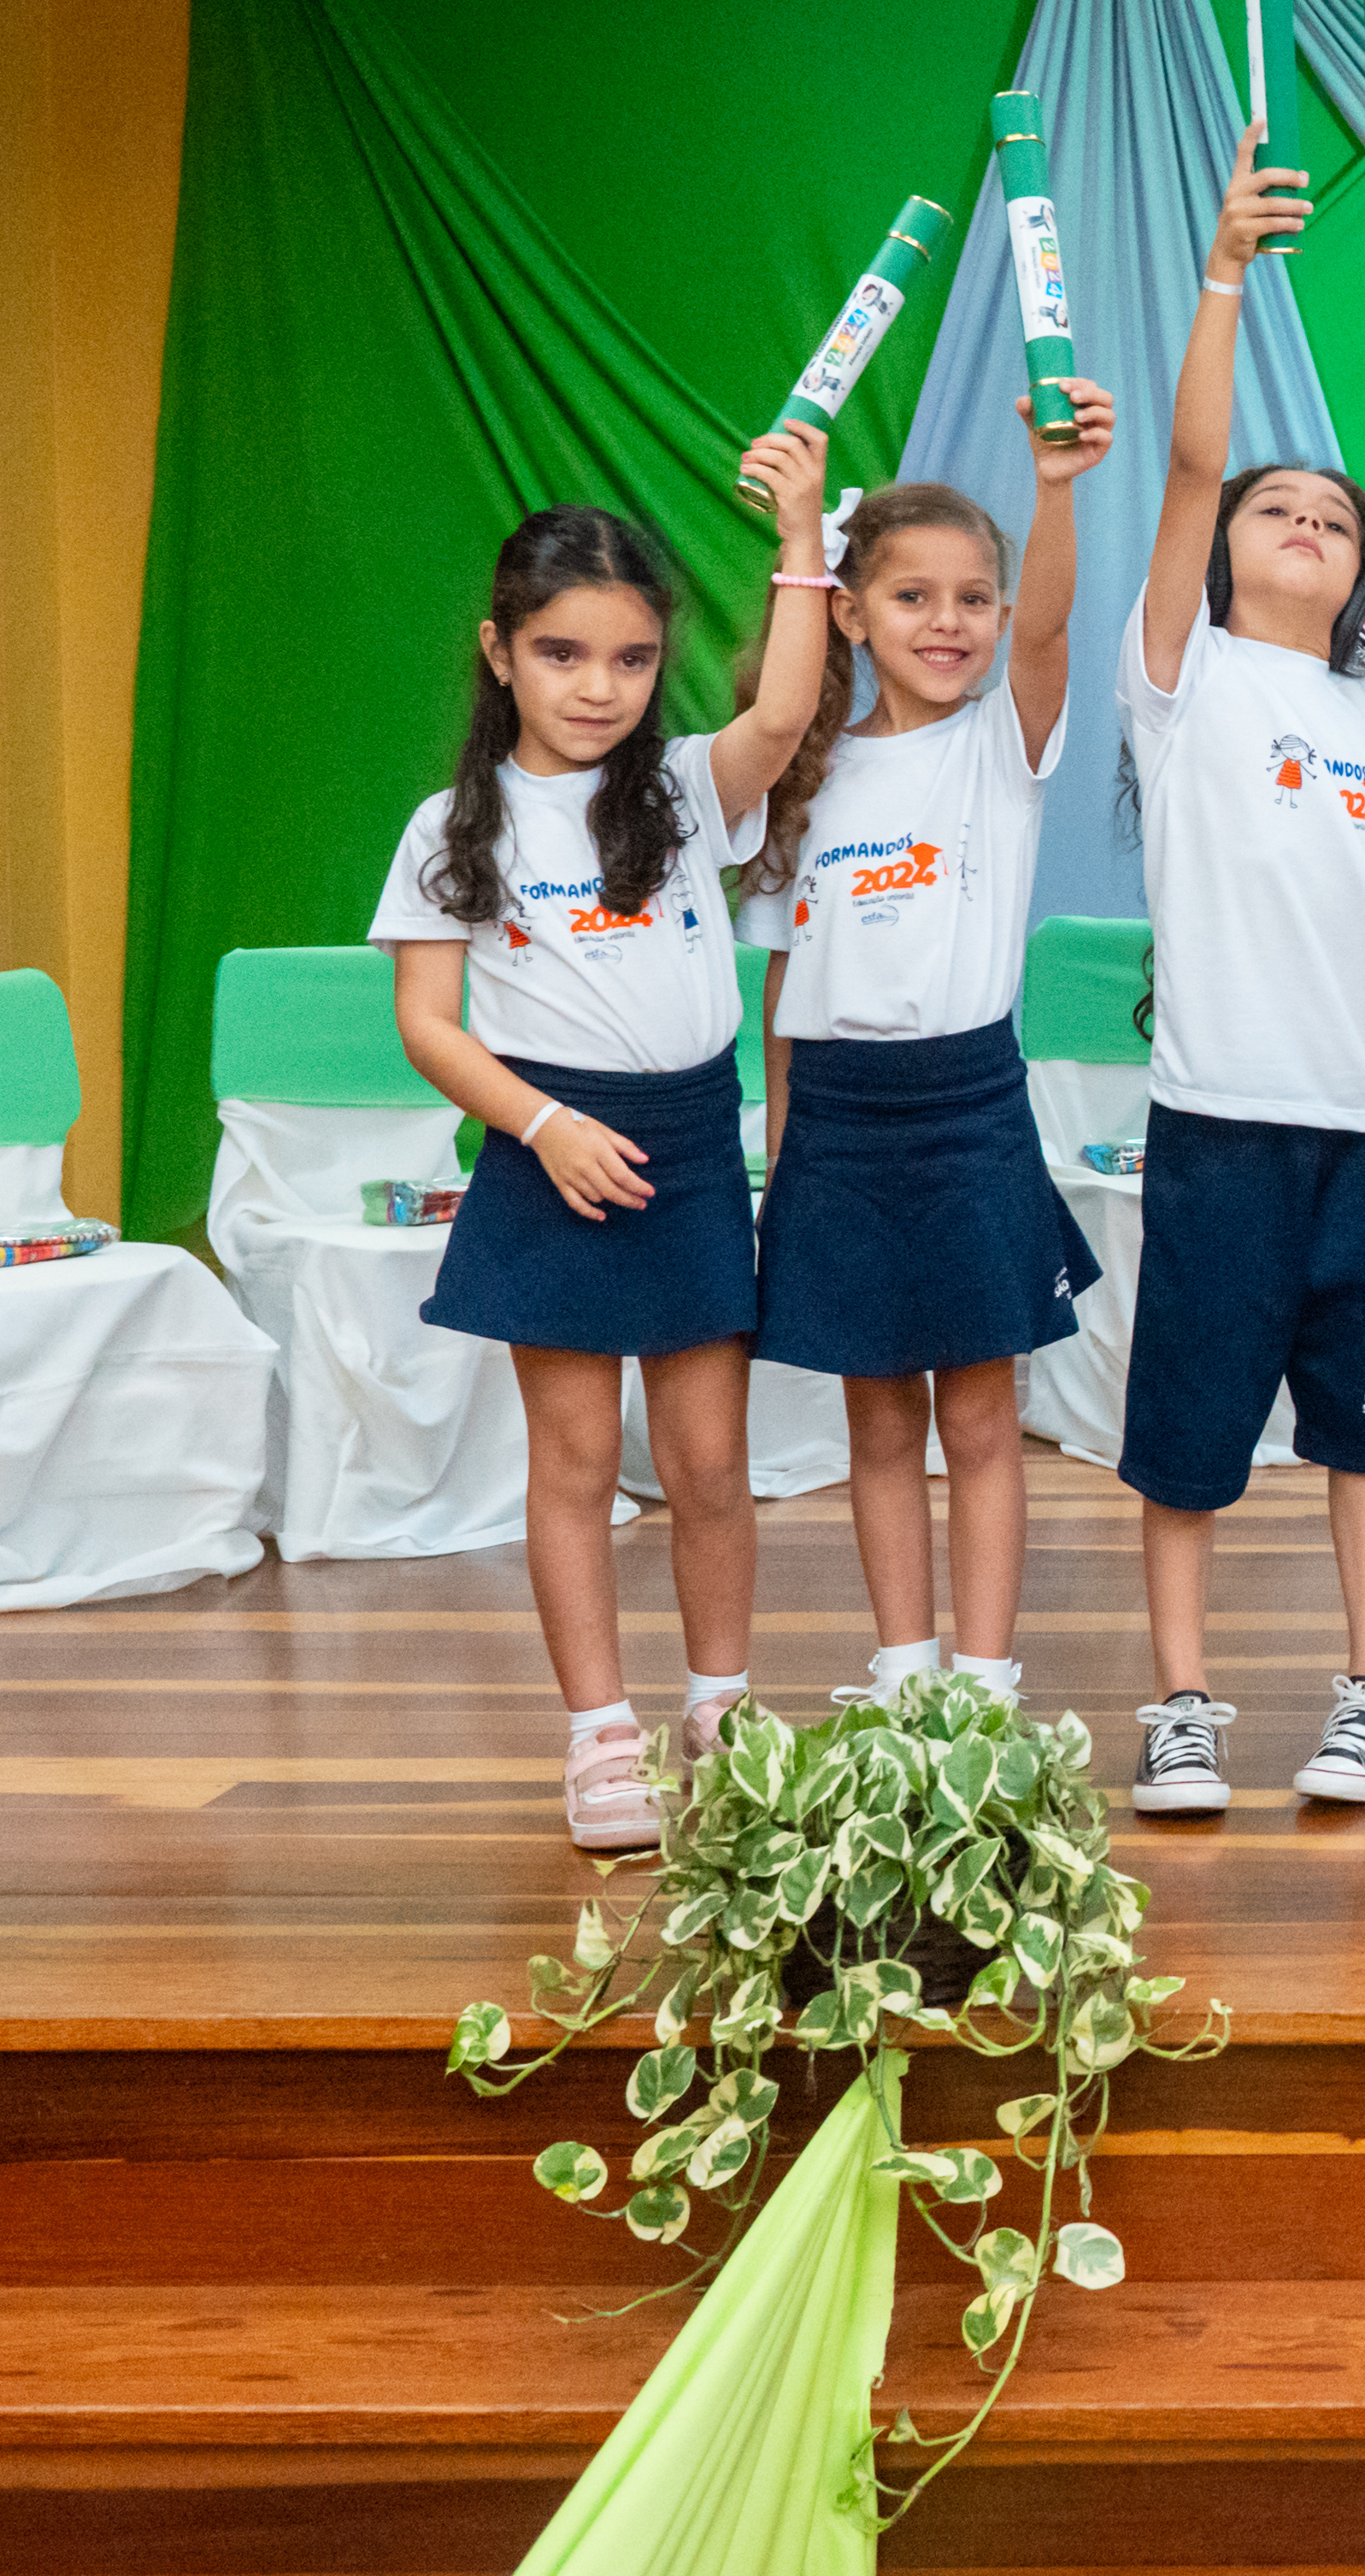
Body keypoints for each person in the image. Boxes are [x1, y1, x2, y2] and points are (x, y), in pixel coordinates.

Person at [375, 445, 832, 1851]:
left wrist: (803, 528)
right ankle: (599, 1737)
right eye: (563, 652)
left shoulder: (692, 790)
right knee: (572, 1463)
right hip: (549, 1149)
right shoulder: (456, 825)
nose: (597, 685)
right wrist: (547, 1127)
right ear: (498, 651)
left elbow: (791, 704)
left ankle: (721, 1709)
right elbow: (428, 1024)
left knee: (708, 1464)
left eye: (631, 658)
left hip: (687, 1146)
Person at [1112, 142, 1365, 1818]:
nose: (1304, 524)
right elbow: (1186, 468)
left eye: (1331, 517)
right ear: (1229, 550)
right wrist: (1228, 272)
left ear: (1360, 574)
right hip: (1220, 1128)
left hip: (1353, 1131)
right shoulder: (1185, 683)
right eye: (1276, 509)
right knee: (1186, 1434)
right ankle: (1180, 1704)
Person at [740, 387, 1121, 1720]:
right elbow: (786, 986)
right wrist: (785, 1157)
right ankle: (902, 1677)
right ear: (847, 611)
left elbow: (1057, 624)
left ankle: (982, 1682)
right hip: (839, 1125)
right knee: (879, 1421)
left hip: (969, 1108)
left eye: (973, 597)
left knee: (980, 1415)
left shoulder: (1000, 749)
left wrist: (1056, 485)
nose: (947, 622)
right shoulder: (796, 772)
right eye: (912, 596)